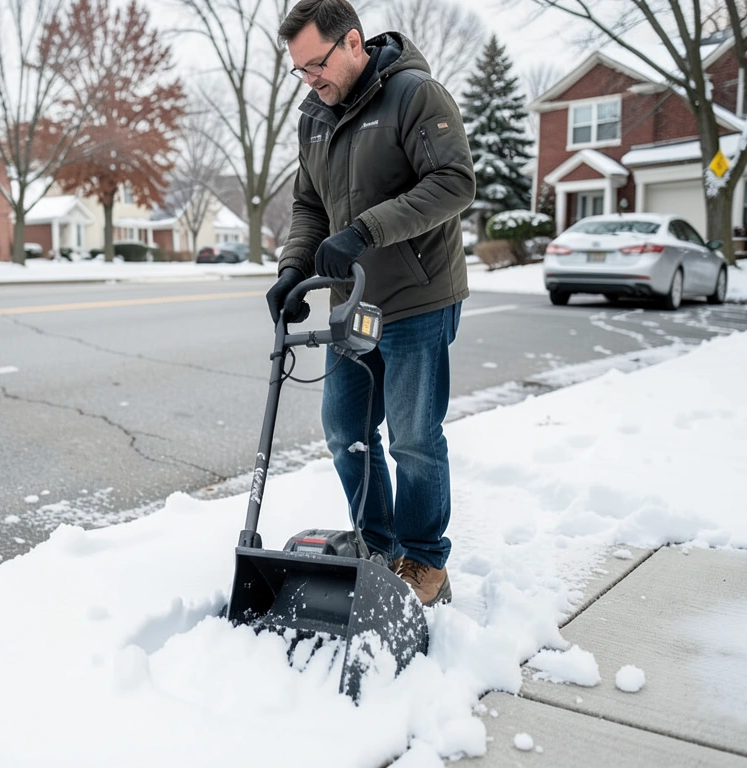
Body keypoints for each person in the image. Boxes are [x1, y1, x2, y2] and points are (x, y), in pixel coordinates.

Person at [267, 0, 475, 607]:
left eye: (316, 65)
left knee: (412, 436)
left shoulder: (415, 95)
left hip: (417, 296)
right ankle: (378, 544)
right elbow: (309, 207)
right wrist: (292, 271)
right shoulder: (315, 118)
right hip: (351, 304)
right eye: (299, 71)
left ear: (353, 43)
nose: (310, 80)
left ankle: (424, 559)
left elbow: (453, 183)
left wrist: (364, 230)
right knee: (344, 429)